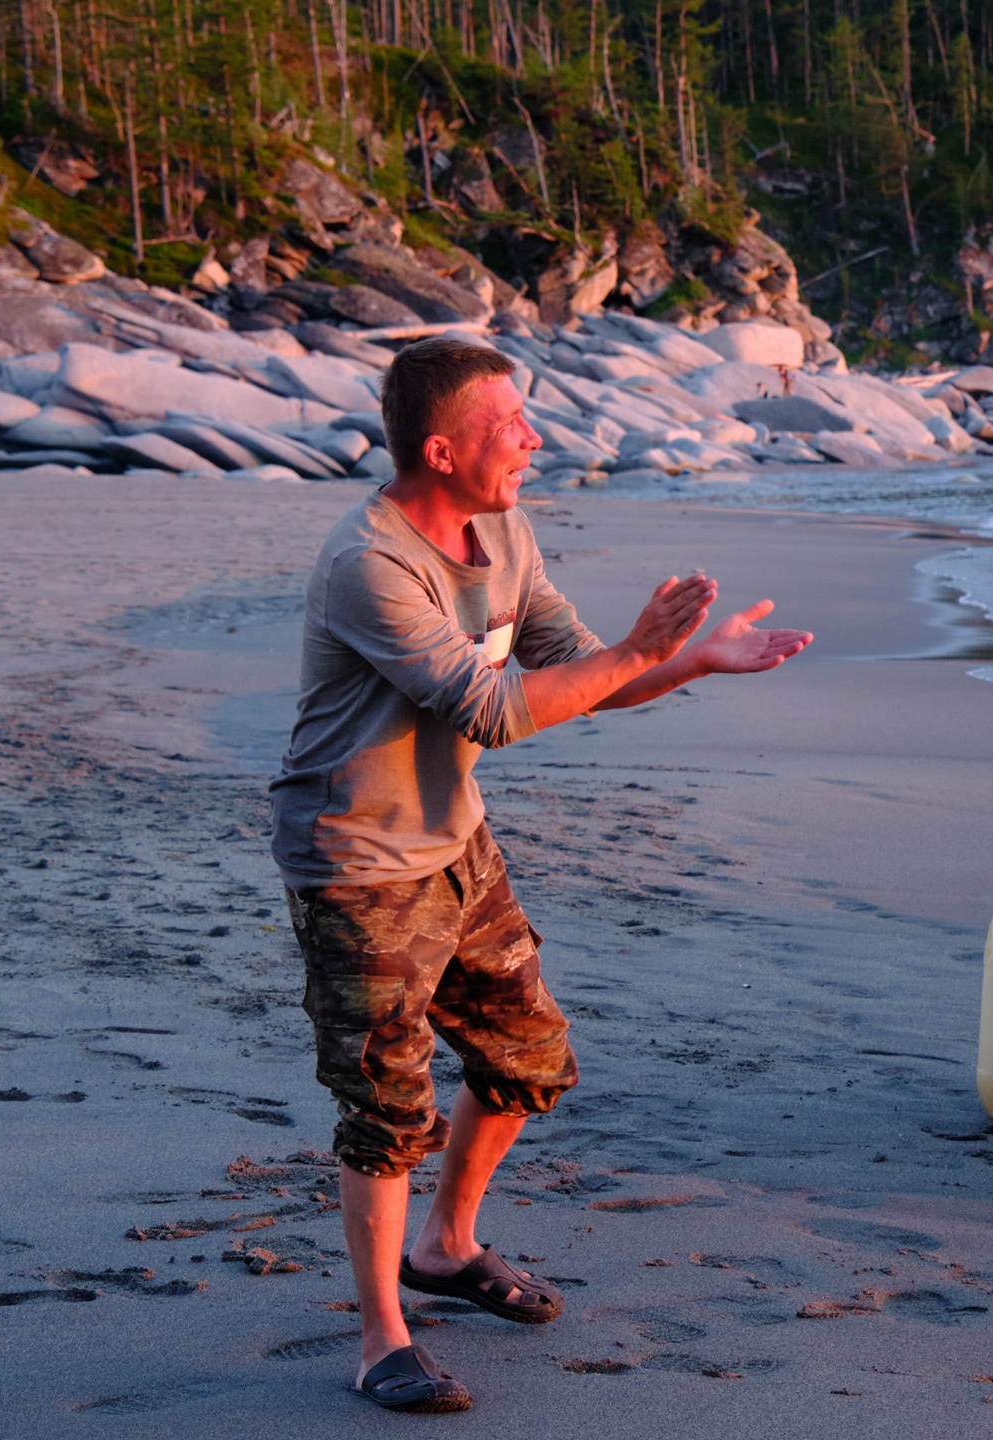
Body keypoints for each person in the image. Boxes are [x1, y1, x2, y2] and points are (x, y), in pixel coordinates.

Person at [269, 335, 814, 1412]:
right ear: (440, 451)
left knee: (529, 1058)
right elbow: (491, 711)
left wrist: (688, 661)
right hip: (358, 863)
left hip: (455, 842)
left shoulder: (506, 530)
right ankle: (381, 1341)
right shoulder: (369, 564)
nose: (531, 440)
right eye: (507, 426)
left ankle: (446, 1247)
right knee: (387, 1107)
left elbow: (576, 673)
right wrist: (639, 653)